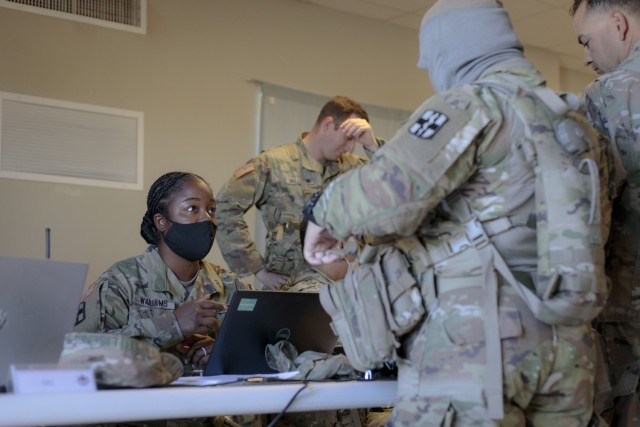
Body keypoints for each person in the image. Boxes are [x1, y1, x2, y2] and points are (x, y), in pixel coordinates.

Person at [303, 0, 607, 425]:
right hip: (568, 347)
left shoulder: (472, 103)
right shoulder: (572, 120)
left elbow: (387, 200)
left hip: (479, 344)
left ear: (447, 52)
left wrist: (322, 211)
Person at [74, 171, 249, 374]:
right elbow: (78, 356)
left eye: (211, 210)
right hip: (143, 404)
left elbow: (271, 354)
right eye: (192, 208)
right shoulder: (120, 281)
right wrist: (173, 325)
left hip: (216, 404)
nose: (207, 219)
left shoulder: (232, 286)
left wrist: (224, 353)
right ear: (161, 222)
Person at [215, 95, 382, 290]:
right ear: (328, 124)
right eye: (349, 138)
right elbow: (225, 207)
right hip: (287, 289)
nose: (351, 147)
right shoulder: (272, 164)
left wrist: (372, 145)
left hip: (343, 290)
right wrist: (256, 269)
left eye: (357, 140)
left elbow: (400, 189)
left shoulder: (353, 167)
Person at [571, 0, 640, 423]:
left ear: (618, 23)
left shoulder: (608, 95)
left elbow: (581, 210)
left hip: (627, 314)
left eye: (586, 40)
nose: (585, 56)